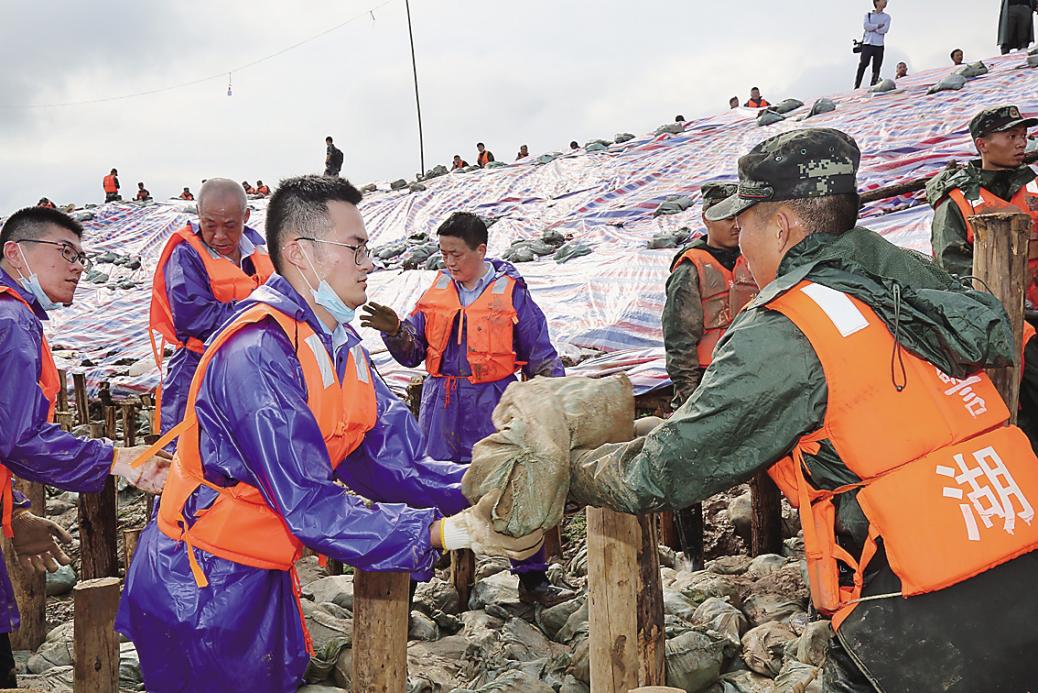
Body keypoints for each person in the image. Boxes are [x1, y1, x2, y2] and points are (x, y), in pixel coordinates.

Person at [555, 128, 1038, 691]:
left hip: (919, 614)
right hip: (1018, 544)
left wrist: (568, 472)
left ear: (779, 225)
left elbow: (665, 469)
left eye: (745, 225)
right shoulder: (911, 281)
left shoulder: (787, 328)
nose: (740, 244)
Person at [117, 176, 542, 693]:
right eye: (357, 249)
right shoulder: (257, 354)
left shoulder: (339, 344)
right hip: (203, 584)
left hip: (261, 565)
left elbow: (394, 462)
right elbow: (310, 504)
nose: (369, 264)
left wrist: (487, 479)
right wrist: (447, 533)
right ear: (302, 252)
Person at [360, 211, 574, 606]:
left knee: (507, 487)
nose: (449, 262)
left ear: (481, 250)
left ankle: (532, 580)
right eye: (443, 254)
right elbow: (412, 354)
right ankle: (408, 581)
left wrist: (552, 407)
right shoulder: (437, 290)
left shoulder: (510, 291)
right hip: (440, 408)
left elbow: (540, 354)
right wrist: (394, 331)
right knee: (425, 486)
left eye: (456, 254)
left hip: (492, 403)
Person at [0, 207, 170, 686]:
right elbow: (17, 436)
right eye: (65, 252)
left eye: (83, 256)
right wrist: (118, 460)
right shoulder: (13, 321)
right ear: (16, 252)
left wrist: (14, 514)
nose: (78, 266)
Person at [927, 105, 1038, 447]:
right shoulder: (956, 204)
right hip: (998, 319)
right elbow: (953, 276)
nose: (1022, 142)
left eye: (1023, 135)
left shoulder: (1033, 190)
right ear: (982, 144)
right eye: (1011, 136)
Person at [663, 182, 758, 569]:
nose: (735, 224)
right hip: (706, 378)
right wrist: (687, 393)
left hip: (752, 372)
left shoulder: (757, 255)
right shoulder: (691, 269)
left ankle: (769, 540)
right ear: (706, 219)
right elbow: (678, 339)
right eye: (725, 217)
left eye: (739, 215)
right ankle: (694, 559)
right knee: (689, 466)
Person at [148, 179, 275, 442]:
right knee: (188, 454)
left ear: (246, 216)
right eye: (209, 225)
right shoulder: (185, 255)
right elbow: (193, 318)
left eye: (230, 226)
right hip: (197, 369)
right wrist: (263, 310)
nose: (219, 236)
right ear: (198, 215)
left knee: (249, 451)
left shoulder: (262, 251)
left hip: (253, 368)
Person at [854, 0, 890, 89]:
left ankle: (873, 86)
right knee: (863, 63)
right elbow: (866, 26)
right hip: (868, 43)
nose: (885, 2)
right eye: (883, 0)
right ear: (877, 2)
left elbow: (885, 30)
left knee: (877, 67)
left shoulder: (887, 17)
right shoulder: (868, 15)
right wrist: (878, 26)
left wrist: (872, 27)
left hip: (879, 45)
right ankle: (857, 85)